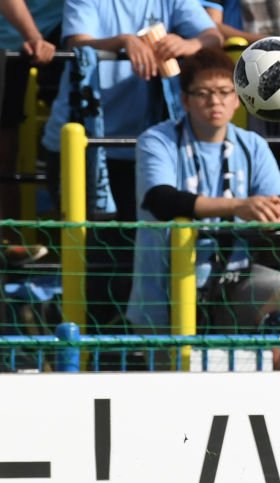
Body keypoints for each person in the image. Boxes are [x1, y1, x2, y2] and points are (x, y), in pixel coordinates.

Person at [39, 0, 222, 334]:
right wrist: (123, 42)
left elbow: (212, 36)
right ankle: (71, 341)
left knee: (143, 258)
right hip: (85, 149)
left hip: (148, 150)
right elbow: (77, 42)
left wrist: (188, 44)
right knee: (99, 258)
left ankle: (127, 350)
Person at [127, 47, 280, 362]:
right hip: (166, 287)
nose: (215, 101)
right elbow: (162, 200)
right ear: (185, 100)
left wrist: (276, 215)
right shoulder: (156, 140)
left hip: (235, 280)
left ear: (238, 98)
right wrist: (237, 207)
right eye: (203, 93)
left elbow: (279, 203)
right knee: (169, 384)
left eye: (224, 92)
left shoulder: (252, 144)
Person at [0, 0, 62, 262]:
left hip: (59, 40)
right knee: (4, 148)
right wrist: (34, 36)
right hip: (13, 43)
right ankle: (8, 242)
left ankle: (11, 242)